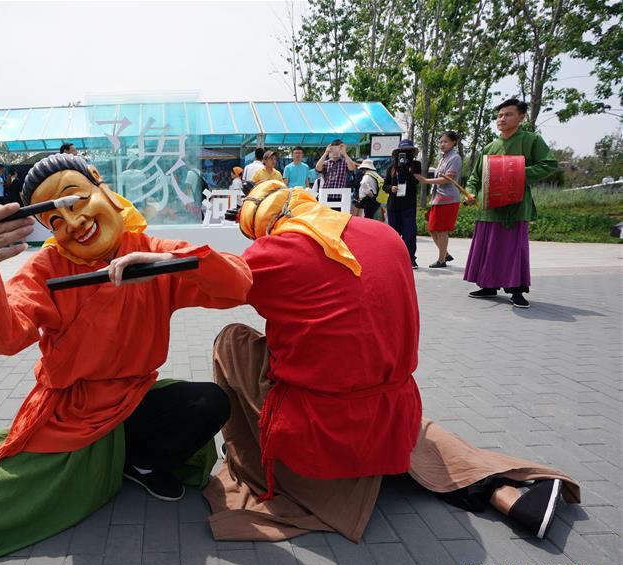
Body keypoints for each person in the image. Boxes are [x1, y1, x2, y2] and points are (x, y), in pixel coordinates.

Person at [0, 153, 251, 565]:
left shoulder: (148, 252)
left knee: (209, 402)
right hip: (72, 410)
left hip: (132, 394)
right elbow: (5, 334)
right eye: (56, 220)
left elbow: (238, 284)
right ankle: (61, 457)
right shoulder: (47, 267)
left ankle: (138, 462)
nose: (74, 223)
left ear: (99, 183)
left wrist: (169, 263)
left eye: (75, 200)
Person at [204, 180, 579, 546]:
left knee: (232, 339)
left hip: (321, 425)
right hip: (393, 405)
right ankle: (504, 493)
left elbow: (199, 284)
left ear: (264, 227)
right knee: (420, 430)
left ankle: (248, 451)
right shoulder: (382, 233)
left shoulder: (273, 251)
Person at [464, 99, 557, 308]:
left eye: (508, 114)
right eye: (499, 115)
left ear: (521, 117)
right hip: (489, 207)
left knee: (513, 249)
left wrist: (513, 172)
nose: (502, 119)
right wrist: (470, 193)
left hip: (514, 207)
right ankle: (488, 285)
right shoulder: (490, 146)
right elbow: (475, 178)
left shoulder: (532, 140)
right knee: (488, 248)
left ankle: (516, 290)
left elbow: (549, 164)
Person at [414, 131, 462, 268]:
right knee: (432, 227)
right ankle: (445, 253)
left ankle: (442, 260)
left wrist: (426, 180)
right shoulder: (443, 158)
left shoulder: (455, 158)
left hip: (448, 199)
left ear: (453, 142)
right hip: (438, 198)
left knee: (441, 229)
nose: (442, 144)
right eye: (440, 142)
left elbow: (448, 179)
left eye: (445, 141)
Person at [384, 139, 422, 269]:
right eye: (402, 151)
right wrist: (391, 188)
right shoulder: (392, 168)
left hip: (408, 205)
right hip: (394, 205)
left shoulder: (416, 165)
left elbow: (415, 182)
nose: (404, 153)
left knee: (409, 232)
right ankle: (392, 258)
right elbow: (385, 186)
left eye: (407, 151)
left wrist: (405, 168)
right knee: (394, 233)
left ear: (411, 152)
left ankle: (410, 259)